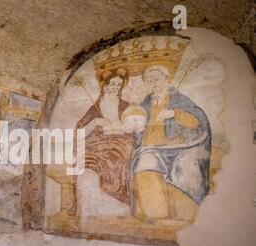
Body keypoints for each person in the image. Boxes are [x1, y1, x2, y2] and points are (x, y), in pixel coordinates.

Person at [131, 64, 211, 222]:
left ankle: (186, 215)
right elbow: (135, 123)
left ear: (167, 79)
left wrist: (174, 113)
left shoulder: (180, 100)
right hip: (151, 148)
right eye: (150, 80)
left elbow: (197, 122)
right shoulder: (145, 104)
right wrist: (135, 127)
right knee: (144, 163)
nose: (154, 82)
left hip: (179, 147)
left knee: (185, 167)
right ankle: (156, 214)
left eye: (157, 79)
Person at [76, 68, 135, 205]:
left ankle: (117, 194)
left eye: (119, 85)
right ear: (104, 85)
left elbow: (134, 123)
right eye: (112, 84)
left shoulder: (125, 105)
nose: (115, 88)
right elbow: (79, 129)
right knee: (82, 153)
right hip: (100, 140)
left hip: (122, 140)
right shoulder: (96, 107)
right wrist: (94, 122)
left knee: (117, 155)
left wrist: (128, 126)